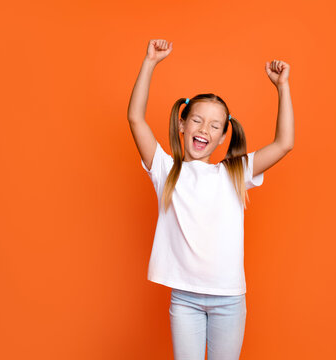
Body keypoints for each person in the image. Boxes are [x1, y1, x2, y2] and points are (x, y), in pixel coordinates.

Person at [127, 39, 294, 360]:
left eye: (215, 125)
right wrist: (149, 62)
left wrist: (282, 87)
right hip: (185, 299)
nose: (205, 128)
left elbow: (284, 143)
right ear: (182, 124)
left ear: (221, 137)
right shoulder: (165, 169)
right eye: (198, 120)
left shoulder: (235, 172)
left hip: (229, 300)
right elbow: (136, 118)